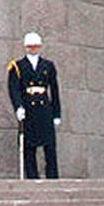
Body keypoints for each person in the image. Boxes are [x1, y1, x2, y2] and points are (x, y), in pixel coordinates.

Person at [7, 31, 61, 179]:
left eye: (36, 46)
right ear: (26, 47)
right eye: (30, 46)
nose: (33, 49)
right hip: (28, 108)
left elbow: (54, 91)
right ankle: (32, 176)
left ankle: (52, 176)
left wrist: (56, 113)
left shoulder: (48, 66)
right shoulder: (17, 66)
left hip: (44, 109)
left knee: (49, 145)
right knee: (29, 146)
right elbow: (14, 89)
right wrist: (18, 107)